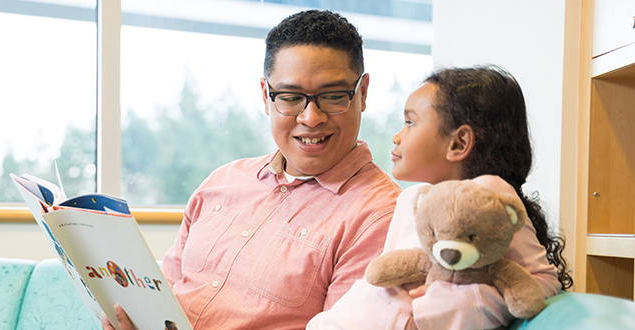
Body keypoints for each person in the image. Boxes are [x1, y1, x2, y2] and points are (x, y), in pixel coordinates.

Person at [103, 9, 401, 330]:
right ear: (265, 95)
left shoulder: (383, 217)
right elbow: (166, 290)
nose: (311, 117)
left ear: (363, 93)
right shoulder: (222, 182)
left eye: (332, 96)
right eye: (290, 97)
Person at [306, 65, 572, 330]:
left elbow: (543, 281)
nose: (397, 136)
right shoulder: (412, 199)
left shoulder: (490, 193)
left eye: (410, 122)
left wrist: (455, 305)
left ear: (458, 143)